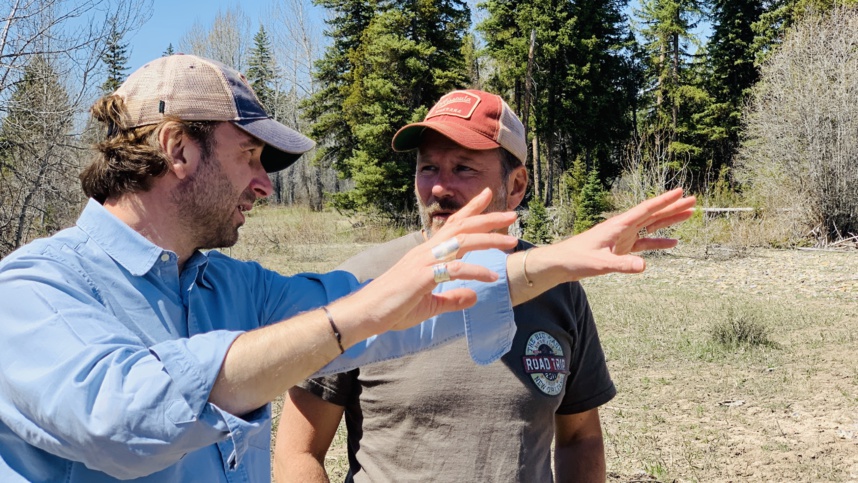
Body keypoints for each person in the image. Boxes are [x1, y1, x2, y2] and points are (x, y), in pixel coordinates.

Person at [0, 55, 694, 482]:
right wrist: (352, 316)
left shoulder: (223, 286)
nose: (266, 184)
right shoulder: (35, 291)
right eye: (250, 156)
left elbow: (404, 313)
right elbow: (120, 420)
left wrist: (557, 259)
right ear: (178, 149)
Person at [274, 89, 621, 482]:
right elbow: (297, 452)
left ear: (517, 184)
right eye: (428, 168)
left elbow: (581, 437)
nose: (439, 188)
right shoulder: (361, 282)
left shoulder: (556, 287)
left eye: (463, 169)